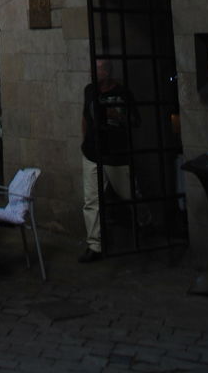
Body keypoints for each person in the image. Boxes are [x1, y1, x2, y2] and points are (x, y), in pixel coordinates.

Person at [79, 58, 139, 262]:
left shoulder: (122, 93)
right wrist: (86, 140)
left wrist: (117, 115)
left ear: (106, 72)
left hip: (115, 153)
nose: (92, 72)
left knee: (130, 193)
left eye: (96, 69)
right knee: (91, 200)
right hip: (92, 152)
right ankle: (94, 245)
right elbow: (85, 116)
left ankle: (145, 222)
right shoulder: (90, 90)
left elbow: (135, 121)